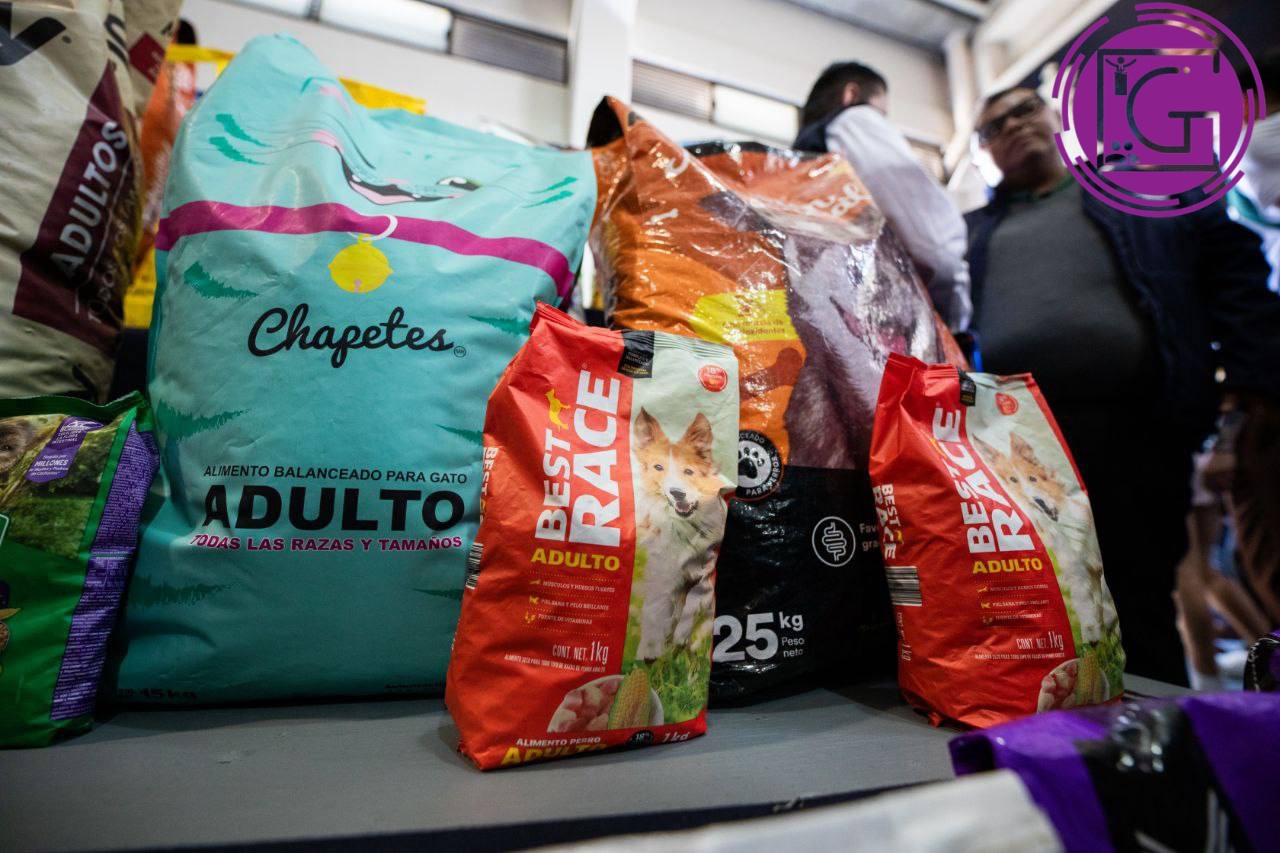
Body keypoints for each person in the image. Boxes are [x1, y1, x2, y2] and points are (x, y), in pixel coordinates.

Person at [965, 87, 1280, 685]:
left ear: (1055, 117)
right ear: (985, 153)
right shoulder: (970, 233)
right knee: (1041, 607)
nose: (1014, 125)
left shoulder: (1142, 189)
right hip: (1017, 446)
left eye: (1026, 109)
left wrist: (1249, 395)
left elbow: (1236, 277)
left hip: (1137, 427)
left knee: (1139, 597)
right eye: (994, 126)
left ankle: (1158, 735)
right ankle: (1067, 728)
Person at [794, 62, 971, 331]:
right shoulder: (854, 121)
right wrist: (956, 319)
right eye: (882, 113)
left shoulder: (796, 162)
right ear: (851, 94)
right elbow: (933, 247)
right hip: (887, 327)